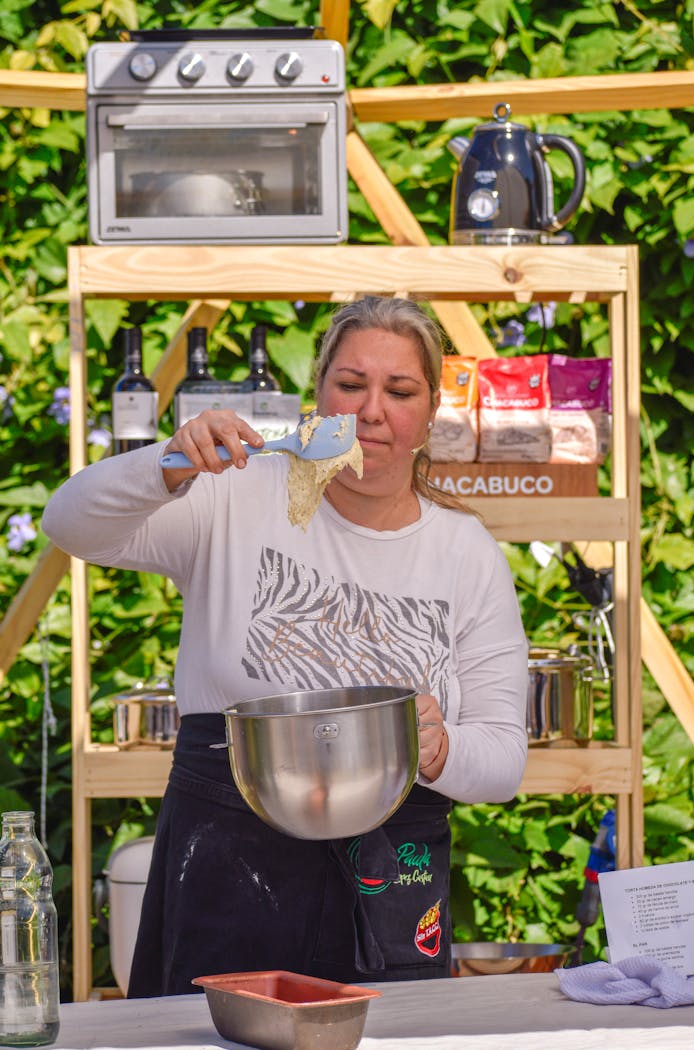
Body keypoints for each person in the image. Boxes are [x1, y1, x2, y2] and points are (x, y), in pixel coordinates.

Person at [42, 296, 528, 996]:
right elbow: (69, 523)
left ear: (428, 417)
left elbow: (504, 761)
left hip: (391, 872)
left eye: (400, 391)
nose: (371, 411)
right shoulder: (235, 494)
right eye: (351, 384)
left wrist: (442, 748)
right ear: (318, 395)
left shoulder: (464, 553)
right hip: (227, 853)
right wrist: (170, 463)